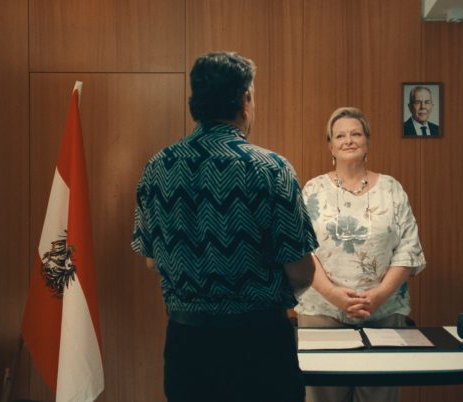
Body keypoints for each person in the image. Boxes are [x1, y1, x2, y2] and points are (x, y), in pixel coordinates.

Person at [131, 51, 317, 402]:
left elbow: (151, 260)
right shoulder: (271, 169)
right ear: (245, 100)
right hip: (260, 346)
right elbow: (302, 270)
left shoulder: (158, 167)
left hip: (187, 346)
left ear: (196, 102)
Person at [296, 107, 425, 402]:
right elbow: (302, 248)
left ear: (367, 141)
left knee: (378, 396)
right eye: (340, 135)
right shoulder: (313, 189)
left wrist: (378, 295)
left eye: (356, 134)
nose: (348, 140)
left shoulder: (392, 188)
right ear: (330, 146)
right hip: (322, 311)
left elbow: (408, 247)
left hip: (384, 311)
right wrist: (334, 295)